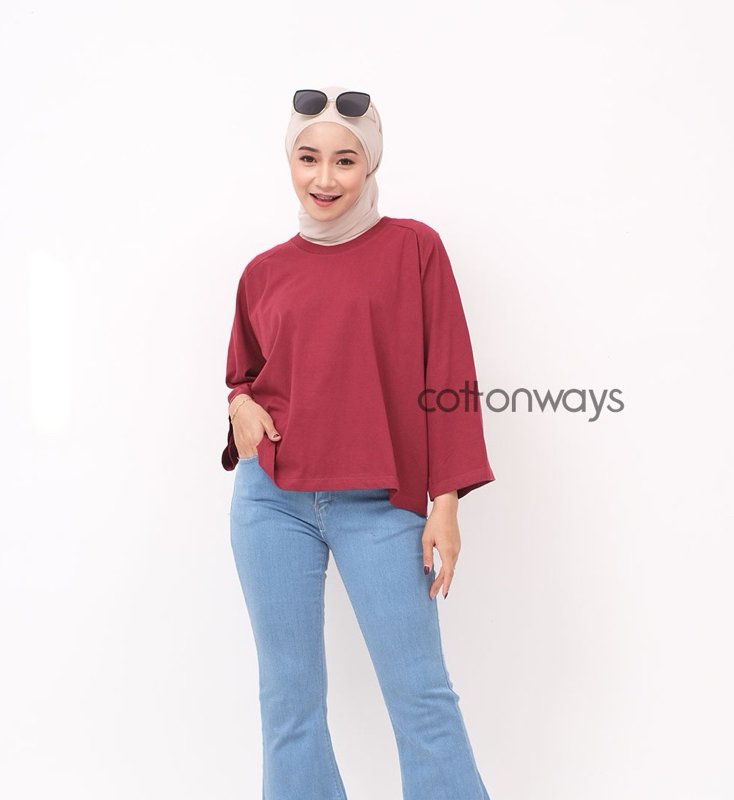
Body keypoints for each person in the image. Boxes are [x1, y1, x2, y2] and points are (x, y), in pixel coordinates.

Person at [222, 86, 496, 800]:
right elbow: (245, 373)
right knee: (288, 701)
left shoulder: (413, 248)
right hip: (271, 501)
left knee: (421, 696)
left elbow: (449, 376)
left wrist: (445, 503)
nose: (324, 178)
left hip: (380, 502)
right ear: (289, 161)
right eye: (307, 158)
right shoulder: (262, 271)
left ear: (370, 164)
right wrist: (239, 402)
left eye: (345, 160)